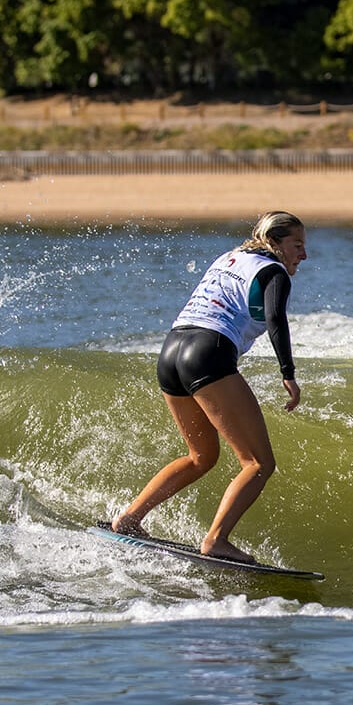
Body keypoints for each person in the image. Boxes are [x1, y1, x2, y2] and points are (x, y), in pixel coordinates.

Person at [111, 211, 308, 564]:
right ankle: (216, 540)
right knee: (258, 463)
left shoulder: (228, 258)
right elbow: (277, 319)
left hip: (171, 351)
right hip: (207, 353)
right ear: (275, 242)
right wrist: (288, 372)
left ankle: (129, 519)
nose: (303, 255)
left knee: (201, 456)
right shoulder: (273, 271)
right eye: (297, 245)